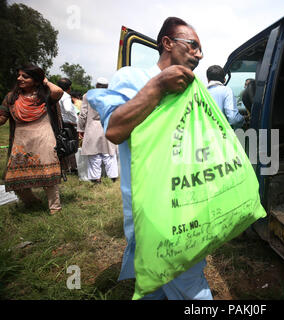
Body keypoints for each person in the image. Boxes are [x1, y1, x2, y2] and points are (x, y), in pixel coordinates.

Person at [87, 17, 212, 300]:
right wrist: (157, 87)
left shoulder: (194, 89)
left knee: (169, 277)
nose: (199, 55)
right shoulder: (132, 78)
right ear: (167, 43)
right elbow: (116, 130)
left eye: (201, 50)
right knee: (177, 285)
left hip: (187, 202)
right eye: (193, 46)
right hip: (151, 207)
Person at [0, 64, 64, 215]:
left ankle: (55, 208)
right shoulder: (11, 97)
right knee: (14, 178)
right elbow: (2, 118)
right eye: (19, 75)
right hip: (21, 142)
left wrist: (46, 81)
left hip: (44, 139)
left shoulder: (45, 96)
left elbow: (58, 91)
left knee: (48, 175)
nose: (19, 78)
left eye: (25, 76)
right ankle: (33, 203)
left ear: (36, 81)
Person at [78, 78, 118, 184]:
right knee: (109, 154)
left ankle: (96, 179)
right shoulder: (112, 96)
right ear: (107, 86)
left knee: (94, 155)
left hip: (92, 127)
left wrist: (81, 128)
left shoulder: (87, 96)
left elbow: (83, 114)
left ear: (96, 85)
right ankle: (113, 178)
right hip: (108, 126)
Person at [57, 78, 79, 173]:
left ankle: (64, 167)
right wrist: (76, 121)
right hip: (68, 124)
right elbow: (69, 109)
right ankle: (72, 167)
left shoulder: (55, 95)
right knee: (71, 145)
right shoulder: (65, 96)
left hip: (58, 122)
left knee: (61, 144)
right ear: (69, 88)